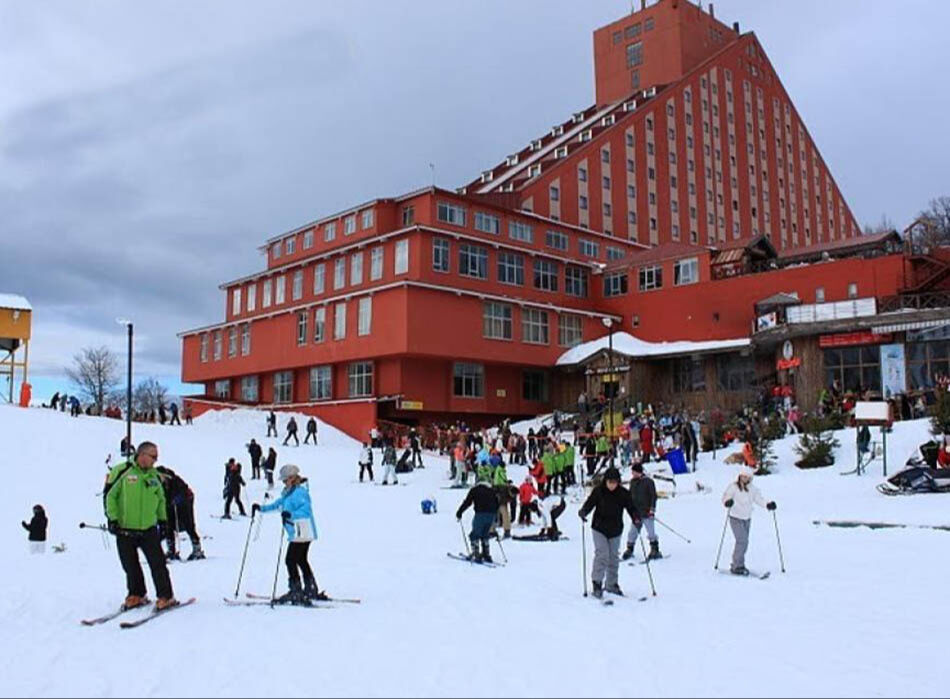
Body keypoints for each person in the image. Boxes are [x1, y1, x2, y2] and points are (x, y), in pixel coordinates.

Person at [104, 441, 178, 611]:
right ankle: (136, 594)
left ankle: (166, 596)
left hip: (148, 529)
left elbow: (160, 500)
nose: (156, 460)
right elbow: (110, 496)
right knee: (130, 565)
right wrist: (113, 519)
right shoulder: (123, 471)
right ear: (142, 455)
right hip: (125, 528)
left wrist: (163, 521)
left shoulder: (154, 476)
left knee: (157, 564)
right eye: (153, 456)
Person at [252, 465, 325, 605]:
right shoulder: (289, 493)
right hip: (298, 532)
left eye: (285, 480)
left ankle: (296, 591)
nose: (284, 483)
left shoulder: (300, 492)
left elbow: (306, 511)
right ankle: (310, 588)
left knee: (290, 560)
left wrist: (291, 514)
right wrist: (261, 508)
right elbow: (278, 505)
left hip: (302, 531)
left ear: (292, 478)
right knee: (301, 560)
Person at [578, 467, 638, 599]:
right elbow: (590, 503)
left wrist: (635, 517)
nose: (612, 485)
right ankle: (597, 582)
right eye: (609, 482)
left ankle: (611, 584)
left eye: (615, 482)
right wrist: (583, 511)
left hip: (615, 529)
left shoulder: (623, 493)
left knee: (613, 557)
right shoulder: (599, 491)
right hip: (599, 528)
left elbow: (631, 507)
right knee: (602, 554)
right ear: (605, 481)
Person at [722, 470, 776, 576]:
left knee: (744, 542)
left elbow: (759, 499)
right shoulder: (733, 487)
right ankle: (736, 566)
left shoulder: (753, 489)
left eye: (747, 477)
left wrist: (768, 504)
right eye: (742, 476)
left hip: (747, 518)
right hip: (735, 517)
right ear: (739, 477)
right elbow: (726, 496)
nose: (744, 479)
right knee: (742, 541)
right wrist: (727, 502)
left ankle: (740, 564)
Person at [156, 466, 205, 561]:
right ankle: (171, 550)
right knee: (168, 526)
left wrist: (176, 499)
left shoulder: (176, 481)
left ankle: (197, 549)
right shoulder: (160, 483)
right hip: (170, 505)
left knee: (188, 525)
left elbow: (184, 492)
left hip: (184, 504)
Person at [456, 468, 500, 563]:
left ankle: (476, 554)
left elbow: (468, 502)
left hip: (480, 514)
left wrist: (459, 512)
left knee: (475, 534)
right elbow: (497, 503)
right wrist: (496, 517)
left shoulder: (475, 490)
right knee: (485, 534)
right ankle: (486, 554)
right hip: (491, 515)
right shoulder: (491, 490)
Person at [622, 463, 660, 561]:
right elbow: (630, 495)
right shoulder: (632, 482)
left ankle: (654, 549)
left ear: (639, 472)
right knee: (632, 533)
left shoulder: (648, 482)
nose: (632, 473)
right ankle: (630, 549)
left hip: (647, 512)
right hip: (636, 513)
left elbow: (653, 496)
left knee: (651, 532)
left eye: (634, 472)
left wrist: (652, 509)